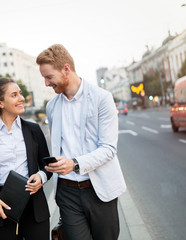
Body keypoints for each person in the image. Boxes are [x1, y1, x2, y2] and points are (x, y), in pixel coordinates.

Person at [36, 44, 127, 240]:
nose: (46, 83)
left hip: (99, 190)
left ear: (66, 69)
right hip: (67, 192)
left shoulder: (102, 98)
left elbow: (109, 149)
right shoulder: (52, 106)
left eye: (49, 77)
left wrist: (74, 164)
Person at [0, 78, 52, 240]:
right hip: (2, 208)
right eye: (14, 95)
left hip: (34, 207)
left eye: (21, 94)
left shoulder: (33, 130)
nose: (21, 98)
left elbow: (47, 166)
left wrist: (41, 177)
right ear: (0, 103)